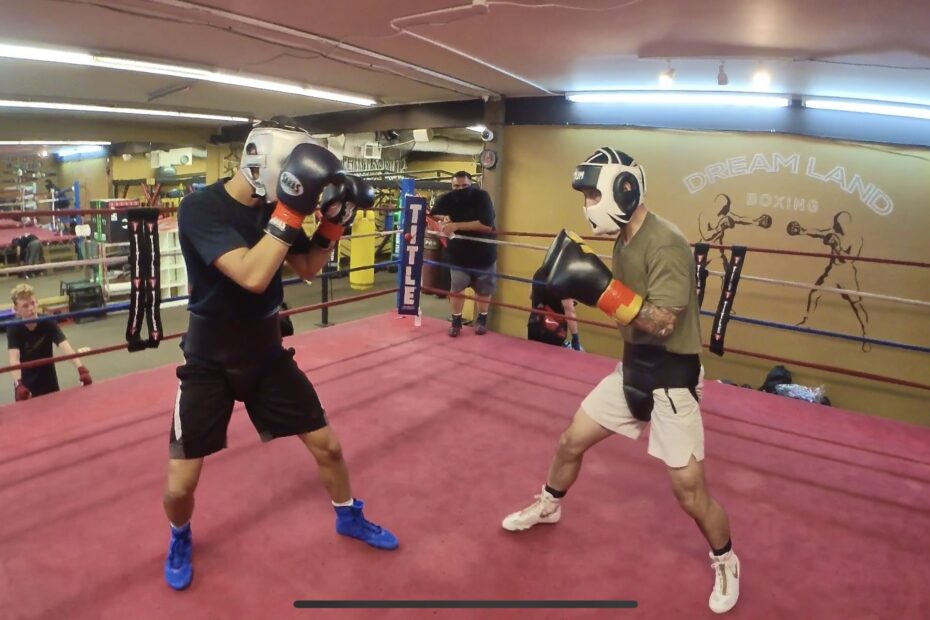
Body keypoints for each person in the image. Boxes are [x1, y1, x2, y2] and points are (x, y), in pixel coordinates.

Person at [501, 147, 739, 614]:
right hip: (631, 367)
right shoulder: (623, 238)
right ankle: (550, 504)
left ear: (623, 189)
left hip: (671, 378)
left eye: (593, 192)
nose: (588, 203)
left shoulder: (664, 242)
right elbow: (630, 315)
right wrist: (596, 291)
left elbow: (666, 322)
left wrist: (600, 289)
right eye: (585, 194)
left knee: (689, 493)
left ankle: (727, 559)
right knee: (571, 441)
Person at [163, 121, 397, 592]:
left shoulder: (274, 206)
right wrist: (291, 211)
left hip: (266, 352)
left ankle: (348, 515)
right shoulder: (200, 208)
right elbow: (250, 274)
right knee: (181, 485)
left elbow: (308, 267)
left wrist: (333, 222)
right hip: (209, 358)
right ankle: (180, 535)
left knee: (328, 446)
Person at [429, 171, 497, 337]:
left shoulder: (481, 197)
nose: (460, 189)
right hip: (459, 255)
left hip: (484, 255)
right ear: (452, 186)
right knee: (457, 289)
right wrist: (443, 220)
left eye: (465, 186)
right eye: (456, 186)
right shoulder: (448, 198)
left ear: (471, 184)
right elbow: (432, 214)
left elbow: (486, 224)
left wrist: (456, 226)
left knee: (483, 290)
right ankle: (456, 322)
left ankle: (481, 320)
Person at [7, 283, 92, 400]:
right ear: (16, 309)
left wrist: (81, 368)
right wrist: (18, 384)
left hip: (48, 378)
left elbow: (64, 345)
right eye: (25, 306)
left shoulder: (48, 322)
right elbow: (14, 358)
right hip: (26, 382)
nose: (31, 308)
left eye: (33, 303)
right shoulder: (14, 327)